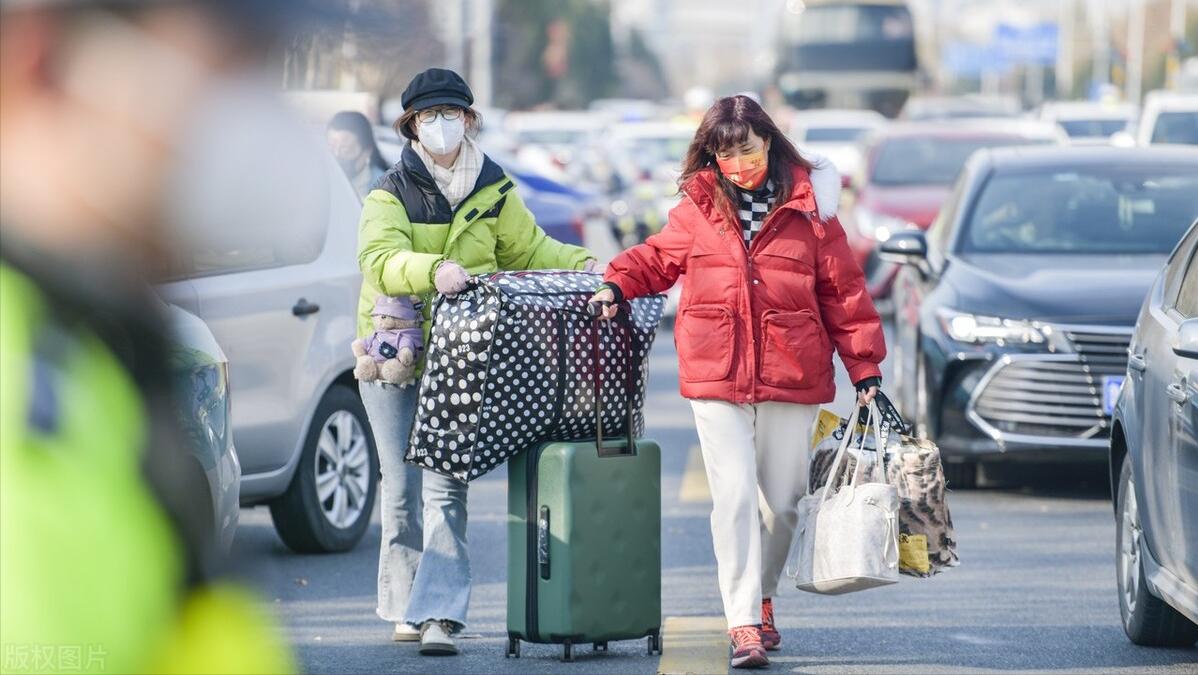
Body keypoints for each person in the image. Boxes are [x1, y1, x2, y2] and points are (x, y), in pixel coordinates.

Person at [0, 1, 298, 672]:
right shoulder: (22, 386)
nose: (252, 126)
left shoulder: (94, 343)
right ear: (45, 63)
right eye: (219, 74)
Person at [590, 95, 885, 670]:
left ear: (769, 143)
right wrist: (616, 284)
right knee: (731, 499)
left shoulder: (812, 212)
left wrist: (865, 368)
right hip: (715, 371)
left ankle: (763, 596)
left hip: (790, 369)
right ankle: (743, 621)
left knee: (783, 504)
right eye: (726, 155)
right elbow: (656, 258)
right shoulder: (698, 208)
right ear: (713, 156)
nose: (739, 164)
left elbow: (845, 295)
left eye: (747, 150)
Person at [356, 67, 597, 656]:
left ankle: (438, 613)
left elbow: (531, 248)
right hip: (394, 353)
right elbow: (378, 258)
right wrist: (431, 270)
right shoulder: (392, 189)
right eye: (427, 117)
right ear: (411, 126)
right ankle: (405, 602)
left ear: (469, 119)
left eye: (451, 114)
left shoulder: (494, 188)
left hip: (462, 355)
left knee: (446, 487)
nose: (441, 126)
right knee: (402, 489)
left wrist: (586, 265)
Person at [328, 110, 389, 199]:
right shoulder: (319, 178)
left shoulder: (384, 188)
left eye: (346, 150)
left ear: (367, 152)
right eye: (332, 147)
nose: (337, 155)